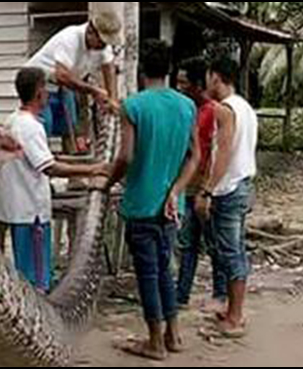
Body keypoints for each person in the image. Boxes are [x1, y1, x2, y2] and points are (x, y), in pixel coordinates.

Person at [105, 40, 197, 361]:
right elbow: (193, 157)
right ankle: (173, 334)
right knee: (164, 270)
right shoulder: (187, 106)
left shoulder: (134, 106)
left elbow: (126, 157)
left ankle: (155, 341)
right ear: (170, 69)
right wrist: (176, 190)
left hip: (141, 204)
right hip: (172, 206)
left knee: (147, 273)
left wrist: (108, 182)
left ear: (143, 70)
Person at [0, 67, 109, 292]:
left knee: (25, 271)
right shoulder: (30, 126)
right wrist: (93, 169)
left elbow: (43, 158)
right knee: (36, 280)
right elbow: (50, 168)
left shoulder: (12, 120)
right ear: (39, 93)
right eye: (46, 91)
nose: (48, 95)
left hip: (16, 207)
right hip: (31, 211)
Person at [168, 57, 258, 338]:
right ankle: (231, 309)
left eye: (208, 76)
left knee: (231, 252)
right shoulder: (244, 107)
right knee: (231, 250)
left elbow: (224, 153)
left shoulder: (225, 110)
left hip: (229, 189)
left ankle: (235, 316)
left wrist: (206, 190)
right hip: (240, 184)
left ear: (216, 77)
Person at [173, 59, 227, 313]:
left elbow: (214, 152)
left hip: (204, 185)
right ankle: (181, 293)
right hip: (188, 184)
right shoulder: (186, 109)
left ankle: (220, 292)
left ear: (197, 85)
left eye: (184, 82)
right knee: (188, 242)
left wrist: (207, 188)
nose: (179, 86)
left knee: (212, 242)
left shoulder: (212, 111)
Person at [26, 12, 122, 151]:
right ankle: (41, 163)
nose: (103, 46)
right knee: (44, 124)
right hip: (38, 82)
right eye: (101, 41)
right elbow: (62, 75)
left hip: (63, 85)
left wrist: (113, 98)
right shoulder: (70, 38)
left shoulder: (102, 47)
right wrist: (93, 91)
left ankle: (70, 159)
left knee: (70, 124)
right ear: (90, 31)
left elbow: (109, 67)